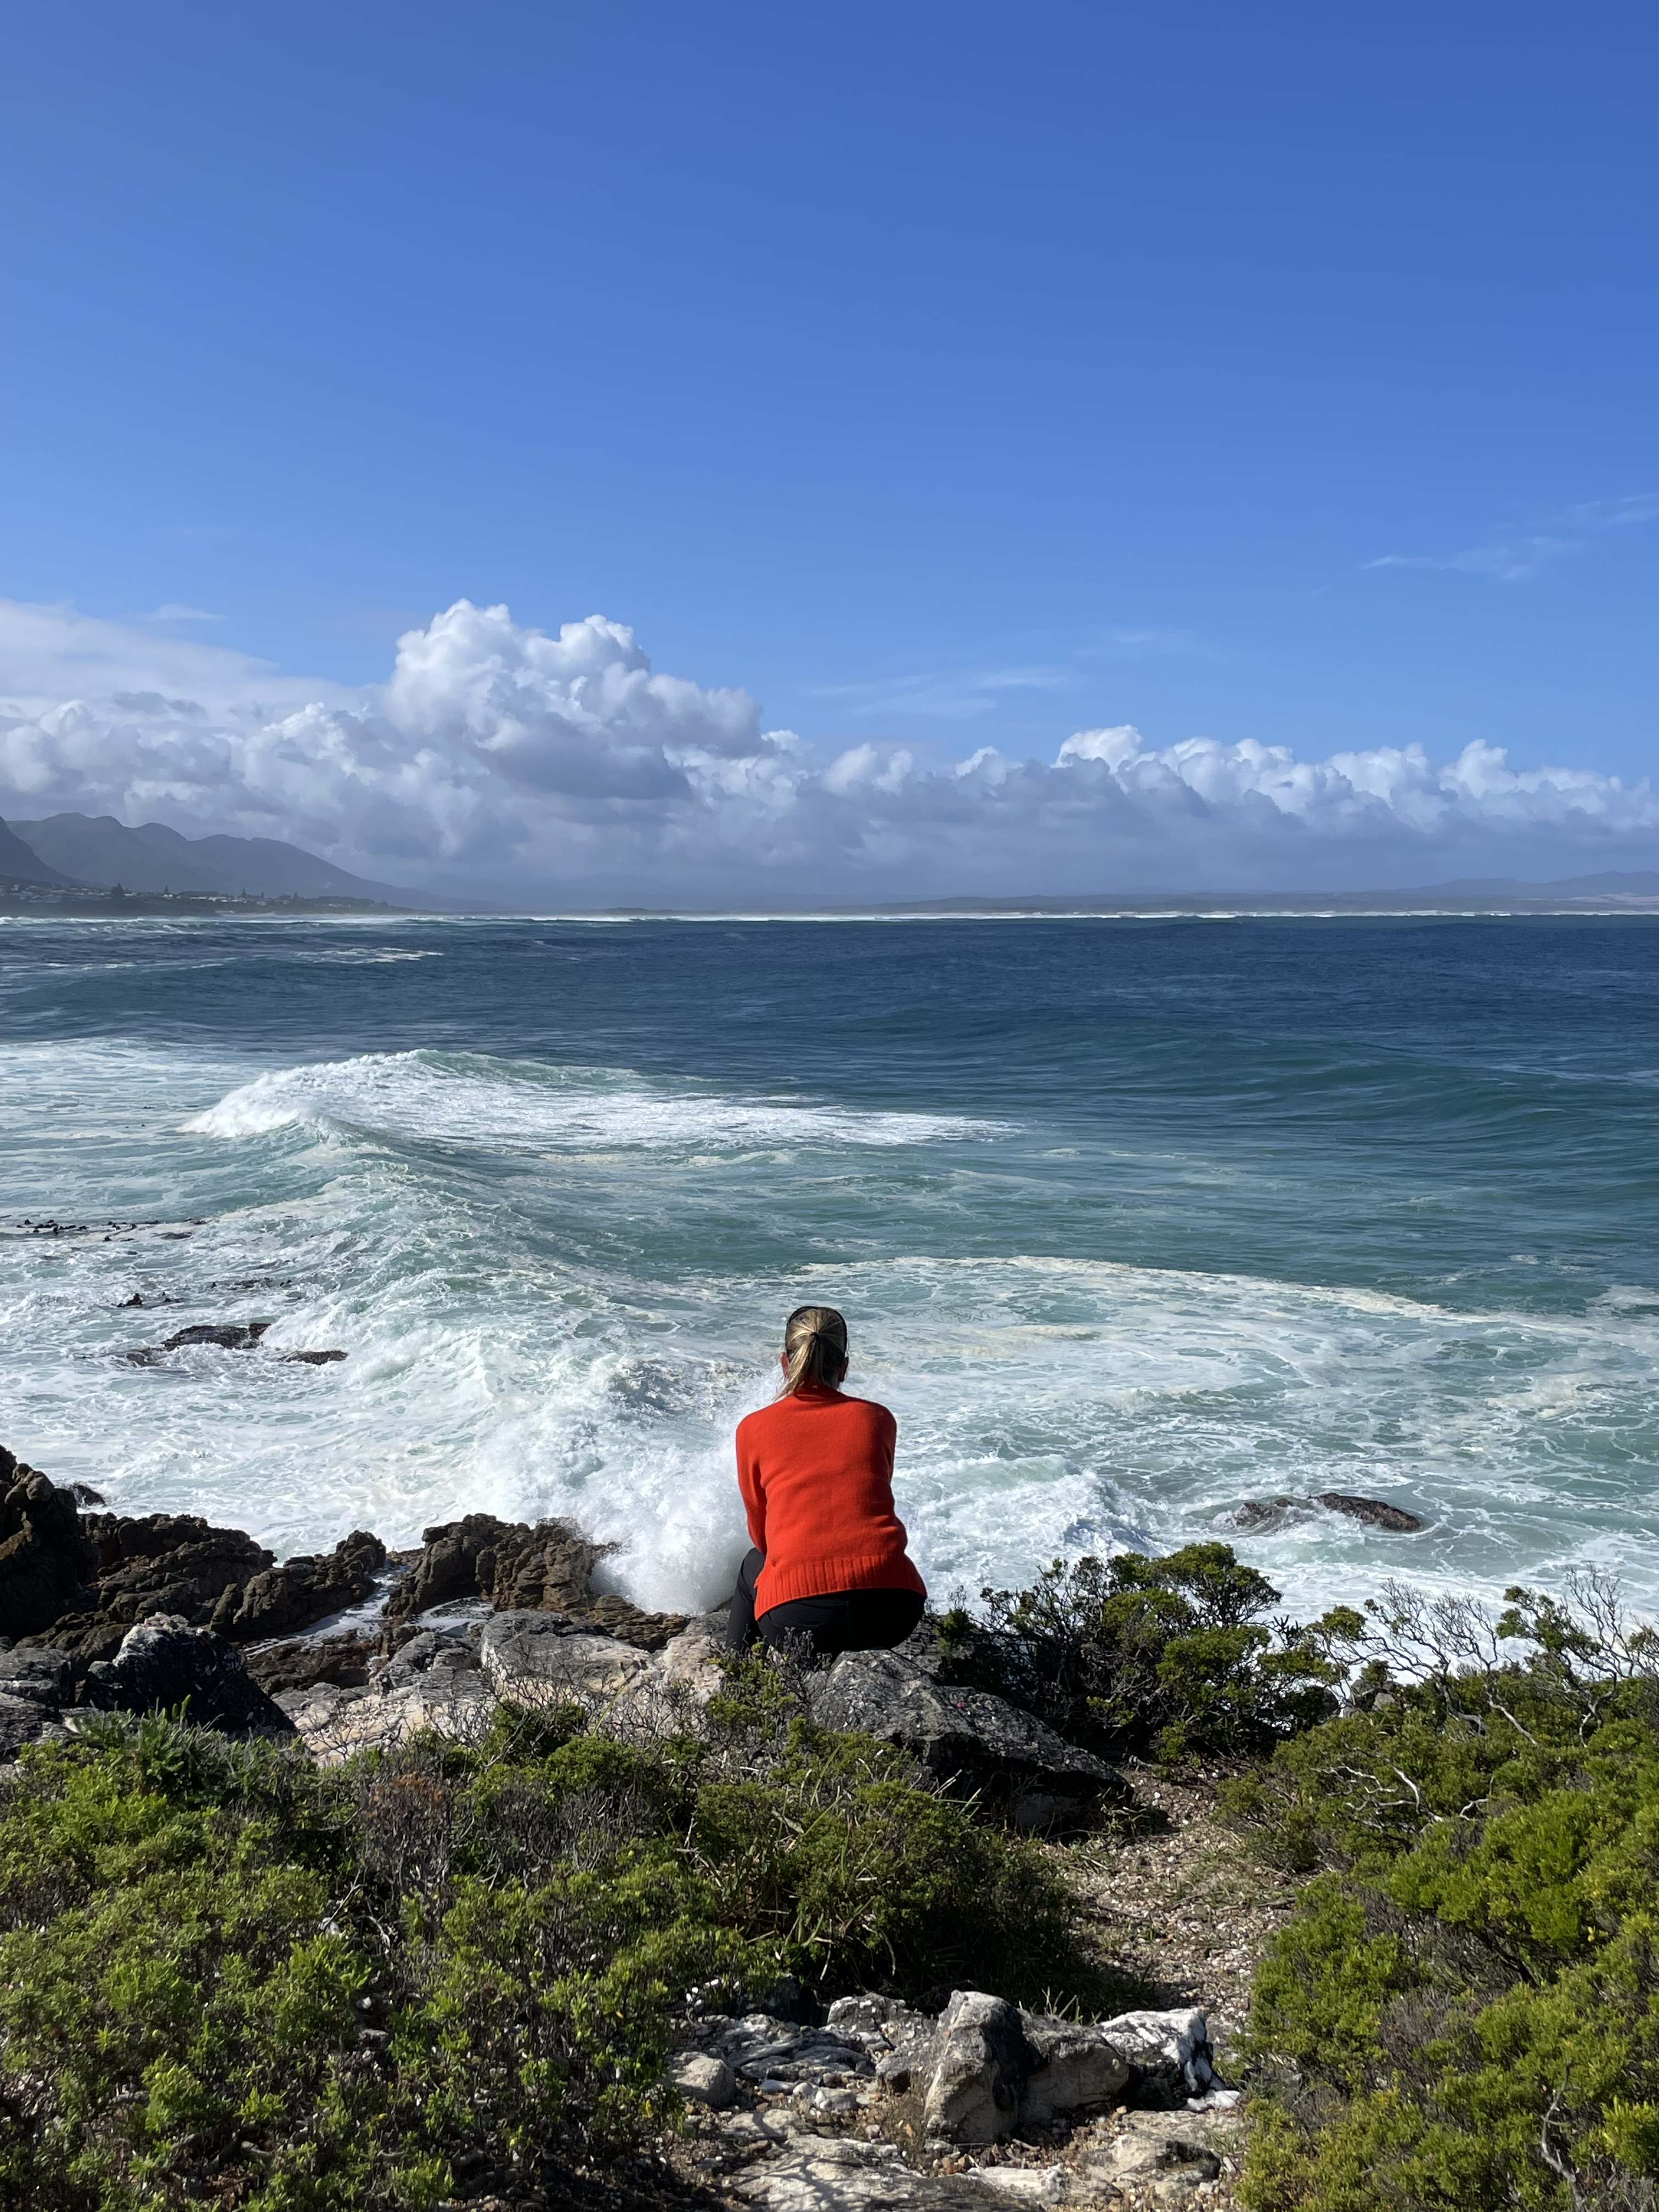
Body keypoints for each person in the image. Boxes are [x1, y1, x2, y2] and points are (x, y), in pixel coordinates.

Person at [726, 1304, 927, 1656]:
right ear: (844, 1367)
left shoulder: (753, 1429)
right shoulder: (877, 1419)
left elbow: (762, 1537)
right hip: (893, 1610)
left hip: (798, 1618)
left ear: (785, 1363)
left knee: (751, 1566)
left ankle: (736, 1683)